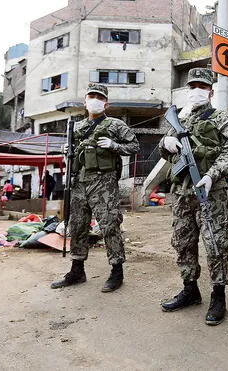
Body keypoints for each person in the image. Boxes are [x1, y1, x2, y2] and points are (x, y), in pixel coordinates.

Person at [158, 68, 228, 325]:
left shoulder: (222, 118)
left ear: (211, 92)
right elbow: (165, 152)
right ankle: (190, 289)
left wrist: (212, 175)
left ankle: (218, 295)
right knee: (183, 240)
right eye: (192, 86)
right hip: (181, 192)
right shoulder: (180, 120)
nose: (196, 91)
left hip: (210, 191)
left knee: (215, 242)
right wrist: (165, 144)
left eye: (202, 87)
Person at [51, 83, 139, 293]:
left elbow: (134, 146)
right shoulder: (77, 127)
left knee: (109, 225)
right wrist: (66, 151)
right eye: (91, 96)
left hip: (104, 183)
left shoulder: (115, 125)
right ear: (85, 101)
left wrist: (114, 145)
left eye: (99, 97)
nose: (95, 100)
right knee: (78, 226)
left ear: (106, 103)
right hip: (79, 182)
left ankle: (116, 271)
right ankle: (77, 270)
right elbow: (72, 157)